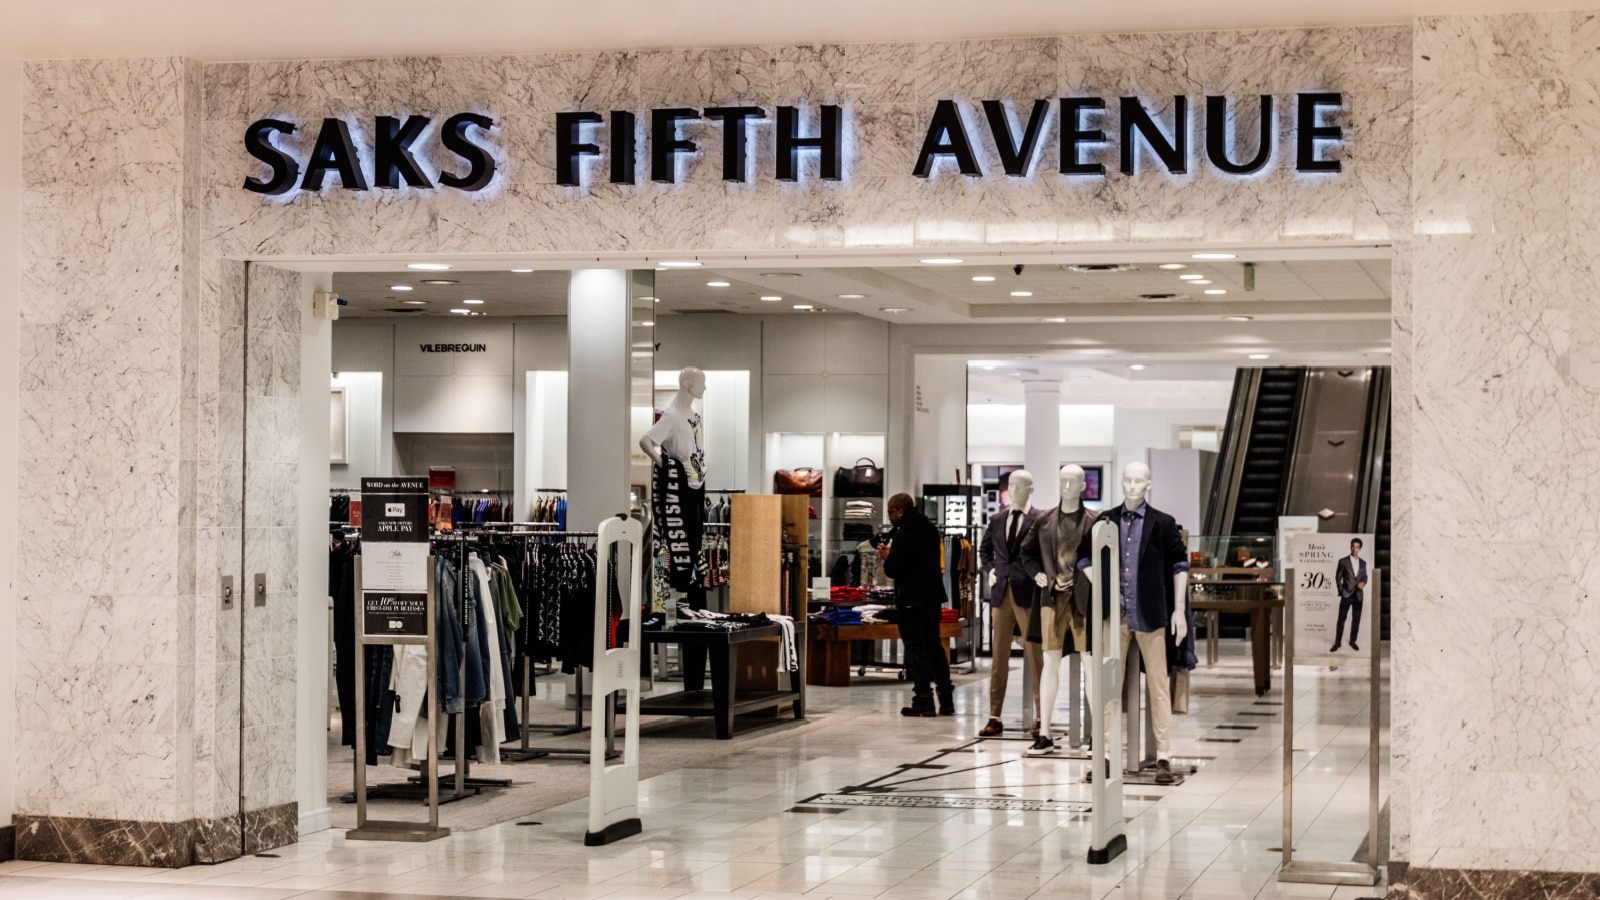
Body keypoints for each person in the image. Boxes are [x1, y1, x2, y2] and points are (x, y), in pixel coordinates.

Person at [977, 470, 1042, 737]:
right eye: (1011, 486)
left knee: (1037, 657)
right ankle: (995, 716)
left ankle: (1042, 718)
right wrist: (990, 569)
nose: (1014, 491)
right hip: (1001, 593)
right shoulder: (997, 519)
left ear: (1030, 489)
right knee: (998, 658)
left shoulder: (1040, 519)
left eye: (1020, 486)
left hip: (1028, 592)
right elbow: (984, 549)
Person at [879, 492, 954, 717]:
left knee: (915, 648)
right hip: (932, 598)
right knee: (934, 646)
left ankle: (923, 700)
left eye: (891, 512)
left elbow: (894, 570)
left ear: (900, 511)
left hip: (911, 599)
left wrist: (887, 557)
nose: (889, 516)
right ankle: (946, 700)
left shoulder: (904, 534)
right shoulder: (930, 530)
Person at [1331, 538, 1368, 653]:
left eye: (1357, 547)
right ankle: (1337, 642)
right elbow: (1338, 577)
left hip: (1358, 595)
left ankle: (1353, 641)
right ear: (1350, 547)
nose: (1354, 549)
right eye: (1353, 546)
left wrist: (1363, 583)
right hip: (1346, 595)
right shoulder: (1343, 561)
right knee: (1341, 619)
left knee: (1356, 620)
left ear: (1360, 548)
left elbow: (1364, 576)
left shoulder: (1363, 563)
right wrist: (1341, 591)